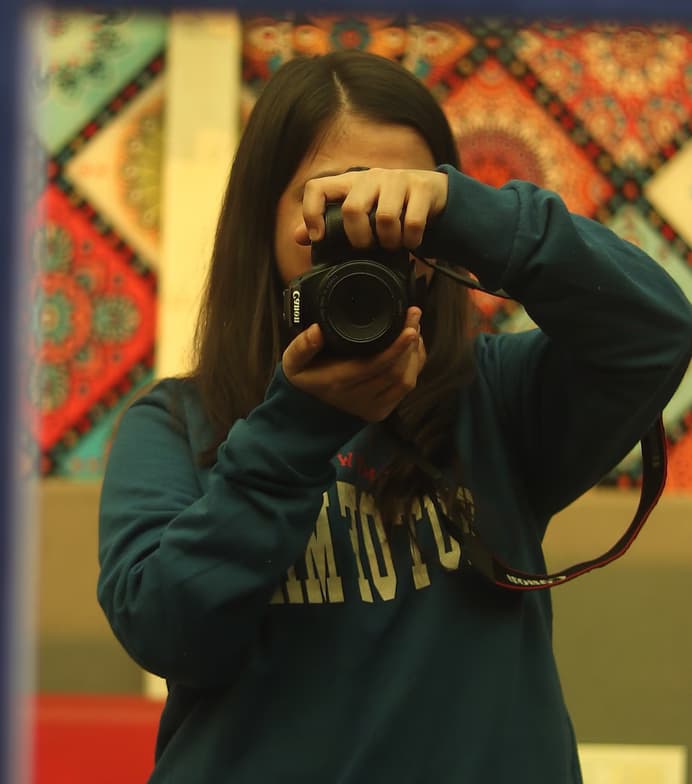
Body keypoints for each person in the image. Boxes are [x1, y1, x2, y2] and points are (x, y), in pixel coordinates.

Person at [97, 50, 692, 783]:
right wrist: (298, 426)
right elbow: (168, 632)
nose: (365, 232)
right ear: (264, 215)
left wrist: (471, 214)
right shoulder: (176, 424)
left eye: (391, 206)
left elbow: (656, 330)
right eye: (332, 205)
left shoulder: (496, 398)